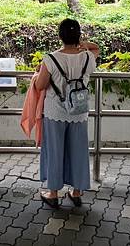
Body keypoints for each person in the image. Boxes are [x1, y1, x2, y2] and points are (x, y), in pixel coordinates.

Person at [34, 18, 99, 208]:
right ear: (78, 36)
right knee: (78, 151)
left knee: (54, 150)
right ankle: (77, 191)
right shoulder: (87, 57)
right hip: (78, 112)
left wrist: (38, 74)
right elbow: (96, 49)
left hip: (55, 111)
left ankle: (53, 193)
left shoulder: (51, 59)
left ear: (60, 36)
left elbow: (40, 85)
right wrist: (82, 44)